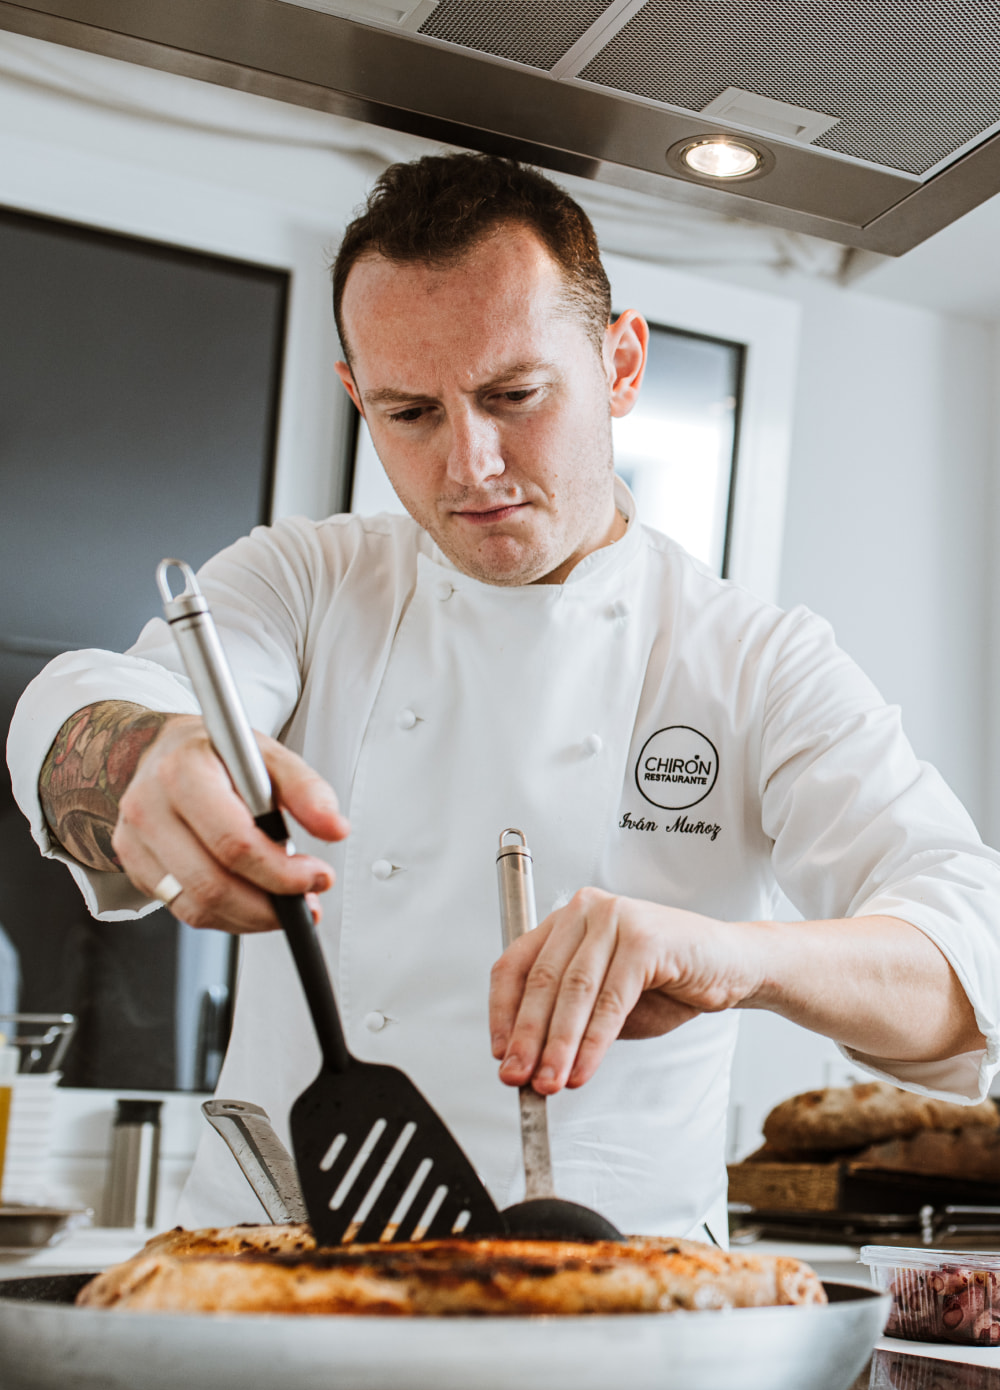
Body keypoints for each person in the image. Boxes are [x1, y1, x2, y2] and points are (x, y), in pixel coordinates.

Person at [8, 153, 999, 1241]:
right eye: (409, 413)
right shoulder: (309, 581)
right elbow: (104, 700)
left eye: (513, 396)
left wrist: (737, 960)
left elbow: (967, 952)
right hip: (272, 1304)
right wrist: (146, 755)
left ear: (620, 366)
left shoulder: (753, 659)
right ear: (356, 398)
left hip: (625, 1325)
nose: (467, 465)